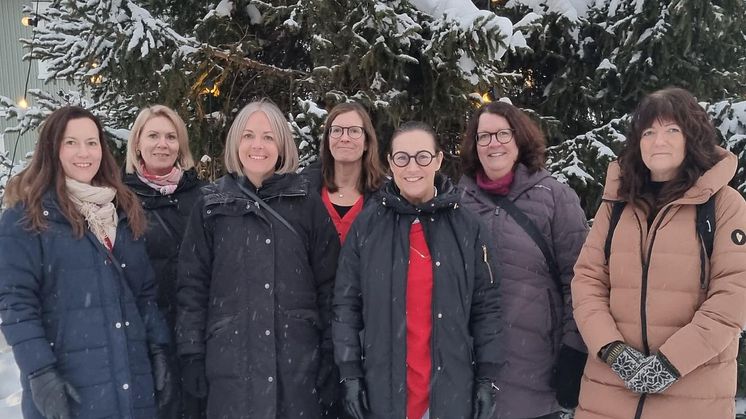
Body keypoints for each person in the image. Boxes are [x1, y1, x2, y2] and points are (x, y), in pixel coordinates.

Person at [572, 87, 746, 419]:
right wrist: (613, 351)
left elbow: (733, 298)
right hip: (606, 395)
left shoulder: (724, 206)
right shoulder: (618, 205)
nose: (658, 141)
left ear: (691, 137)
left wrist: (669, 364)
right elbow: (588, 281)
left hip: (693, 396)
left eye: (671, 130)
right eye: (649, 132)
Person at [0, 106, 171, 419]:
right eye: (71, 142)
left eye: (92, 143)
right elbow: (15, 303)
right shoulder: (28, 218)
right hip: (71, 389)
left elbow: (144, 295)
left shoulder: (121, 209)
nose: (84, 153)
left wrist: (158, 347)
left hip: (132, 384)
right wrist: (40, 372)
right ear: (52, 149)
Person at [176, 100, 340, 419]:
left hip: (297, 365)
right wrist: (191, 352)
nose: (257, 145)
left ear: (281, 144)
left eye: (268, 137)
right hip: (230, 366)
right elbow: (192, 286)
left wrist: (332, 352)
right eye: (249, 135)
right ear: (236, 142)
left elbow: (331, 285)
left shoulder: (305, 201)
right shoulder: (210, 205)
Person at [333, 121, 501, 419]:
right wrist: (350, 373)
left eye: (422, 156)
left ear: (437, 160)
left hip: (450, 394)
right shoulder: (367, 227)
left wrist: (488, 378)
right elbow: (346, 306)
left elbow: (486, 309)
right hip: (383, 394)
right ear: (390, 163)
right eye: (402, 158)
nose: (412, 167)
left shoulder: (469, 227)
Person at [458, 101, 589, 419]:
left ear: (519, 138)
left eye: (502, 134)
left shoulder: (555, 197)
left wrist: (575, 350)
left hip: (538, 376)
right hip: (470, 378)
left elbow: (582, 280)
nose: (493, 144)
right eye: (483, 136)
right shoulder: (457, 202)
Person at [123, 105, 205, 419]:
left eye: (171, 137)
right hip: (147, 339)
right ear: (138, 144)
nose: (163, 144)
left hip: (197, 337)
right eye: (153, 135)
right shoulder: (120, 199)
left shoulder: (202, 197)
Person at [302, 102, 386, 244]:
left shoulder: (386, 197)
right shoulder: (304, 189)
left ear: (366, 142)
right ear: (328, 139)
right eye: (336, 130)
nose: (345, 138)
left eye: (354, 131)